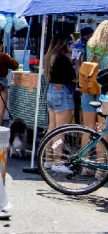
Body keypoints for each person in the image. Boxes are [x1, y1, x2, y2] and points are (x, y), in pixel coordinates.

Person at [44, 33, 76, 173]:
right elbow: (72, 77)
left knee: (52, 128)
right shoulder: (62, 58)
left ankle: (48, 159)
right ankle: (58, 161)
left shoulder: (49, 57)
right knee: (61, 130)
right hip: (62, 92)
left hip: (52, 91)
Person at [82, 22, 108, 132]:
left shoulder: (90, 45)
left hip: (88, 86)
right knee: (102, 128)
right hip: (103, 89)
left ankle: (86, 149)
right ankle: (101, 150)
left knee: (87, 128)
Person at [0, 35, 18, 126]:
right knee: (1, 108)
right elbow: (15, 66)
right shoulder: (2, 56)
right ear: (1, 45)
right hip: (1, 82)